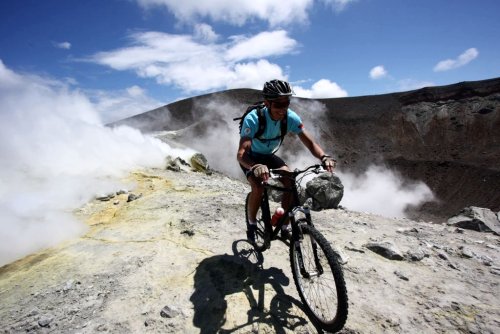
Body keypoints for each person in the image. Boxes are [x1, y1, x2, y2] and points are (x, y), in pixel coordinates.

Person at [236, 79, 336, 243]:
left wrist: (324, 157)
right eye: (278, 104)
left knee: (291, 181)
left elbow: (310, 143)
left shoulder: (290, 117)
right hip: (251, 158)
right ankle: (252, 225)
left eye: (286, 103)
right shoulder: (253, 119)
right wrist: (255, 166)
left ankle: (284, 226)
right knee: (258, 187)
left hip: (268, 156)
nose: (283, 109)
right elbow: (241, 154)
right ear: (267, 103)